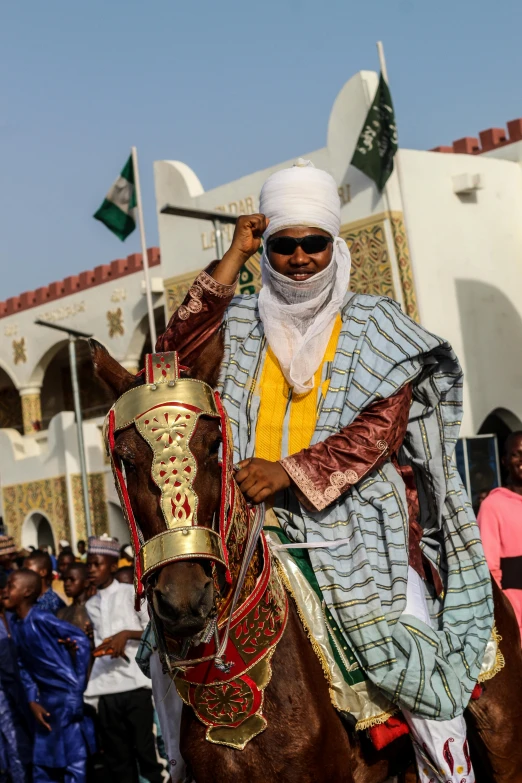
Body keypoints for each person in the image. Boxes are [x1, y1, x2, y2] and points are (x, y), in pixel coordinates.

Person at [155, 159, 493, 782]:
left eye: (314, 243)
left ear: (333, 244)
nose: (301, 258)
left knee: (414, 657)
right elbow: (173, 352)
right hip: (249, 527)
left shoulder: (375, 324)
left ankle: (451, 772)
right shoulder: (239, 320)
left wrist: (287, 471)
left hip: (358, 530)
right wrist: (233, 257)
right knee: (171, 648)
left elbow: (378, 430)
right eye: (285, 245)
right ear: (268, 248)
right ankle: (176, 764)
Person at [84, 535, 164, 783]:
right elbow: (99, 640)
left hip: (135, 684)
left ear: (112, 565)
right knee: (118, 759)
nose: (91, 570)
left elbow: (155, 631)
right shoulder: (91, 604)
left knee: (146, 754)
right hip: (106, 686)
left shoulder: (131, 593)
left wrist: (126, 635)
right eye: (89, 564)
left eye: (97, 564)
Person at [4, 569, 93, 783]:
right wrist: (32, 699)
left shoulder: (41, 618)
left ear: (27, 592)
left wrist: (77, 688)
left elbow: (80, 640)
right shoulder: (16, 624)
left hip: (66, 695)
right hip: (46, 701)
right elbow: (22, 665)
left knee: (74, 760)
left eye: (10, 586)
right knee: (43, 761)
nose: (5, 591)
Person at [478, 431, 522, 642]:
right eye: (517, 454)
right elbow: (489, 570)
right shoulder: (492, 506)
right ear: (505, 461)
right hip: (516, 615)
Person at [0, 572, 33, 783]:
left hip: (25, 691)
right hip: (4, 693)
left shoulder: (17, 618)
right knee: (11, 743)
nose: (4, 591)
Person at [57, 564, 92, 635]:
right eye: (65, 580)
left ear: (86, 583)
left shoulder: (95, 610)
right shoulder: (61, 613)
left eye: (72, 580)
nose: (67, 584)